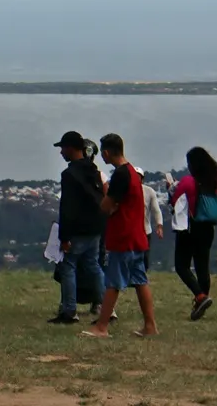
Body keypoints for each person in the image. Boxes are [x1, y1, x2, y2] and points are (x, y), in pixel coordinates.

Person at [83, 133, 157, 338]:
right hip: (137, 235)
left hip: (123, 236)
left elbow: (106, 205)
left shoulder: (120, 175)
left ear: (106, 152)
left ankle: (102, 327)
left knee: (113, 282)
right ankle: (150, 325)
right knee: (140, 281)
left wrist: (107, 203)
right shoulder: (133, 172)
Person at [49, 130, 105, 325]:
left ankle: (69, 310)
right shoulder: (93, 170)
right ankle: (106, 307)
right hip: (96, 227)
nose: (61, 152)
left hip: (78, 230)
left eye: (63, 148)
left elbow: (68, 207)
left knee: (68, 266)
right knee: (93, 265)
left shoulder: (70, 174)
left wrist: (64, 237)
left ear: (72, 148)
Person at [169, 146, 217, 320]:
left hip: (190, 227)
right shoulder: (213, 183)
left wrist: (171, 188)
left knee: (181, 265)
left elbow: (175, 201)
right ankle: (201, 303)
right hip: (208, 228)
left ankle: (200, 296)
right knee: (202, 266)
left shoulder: (188, 182)